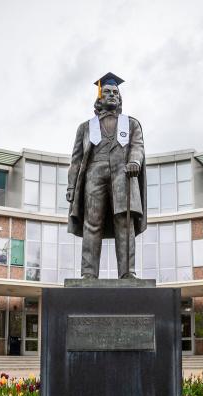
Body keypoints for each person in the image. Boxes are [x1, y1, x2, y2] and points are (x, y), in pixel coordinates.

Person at [66, 72, 147, 279]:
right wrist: (71, 186)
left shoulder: (131, 124)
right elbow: (76, 159)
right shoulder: (86, 127)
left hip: (123, 174)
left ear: (120, 99)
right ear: (99, 98)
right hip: (94, 174)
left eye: (115, 93)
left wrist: (134, 162)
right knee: (91, 224)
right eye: (107, 92)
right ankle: (88, 274)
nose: (112, 95)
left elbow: (137, 147)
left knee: (124, 223)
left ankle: (128, 272)